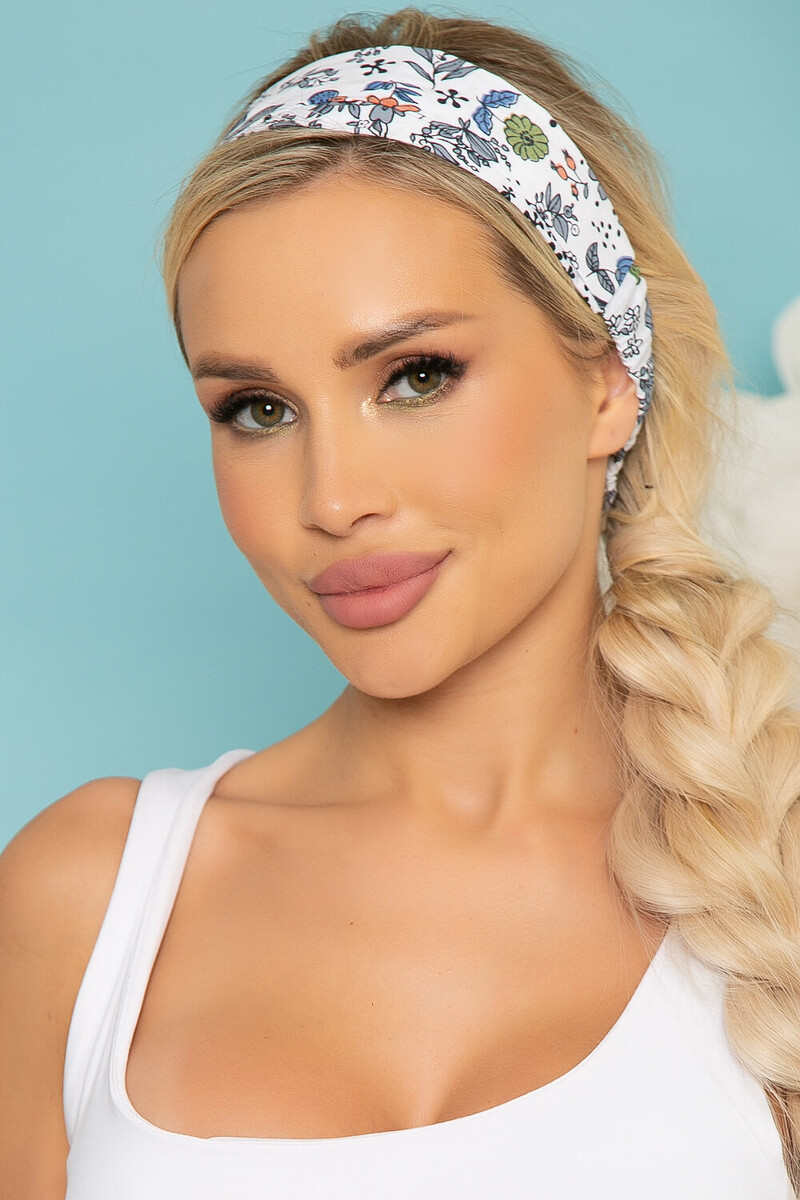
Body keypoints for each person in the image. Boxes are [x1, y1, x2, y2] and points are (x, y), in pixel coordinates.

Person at [2, 7, 799, 1198]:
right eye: (257, 410)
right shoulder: (87, 899)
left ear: (603, 385)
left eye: (415, 376)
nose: (332, 499)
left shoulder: (770, 872)